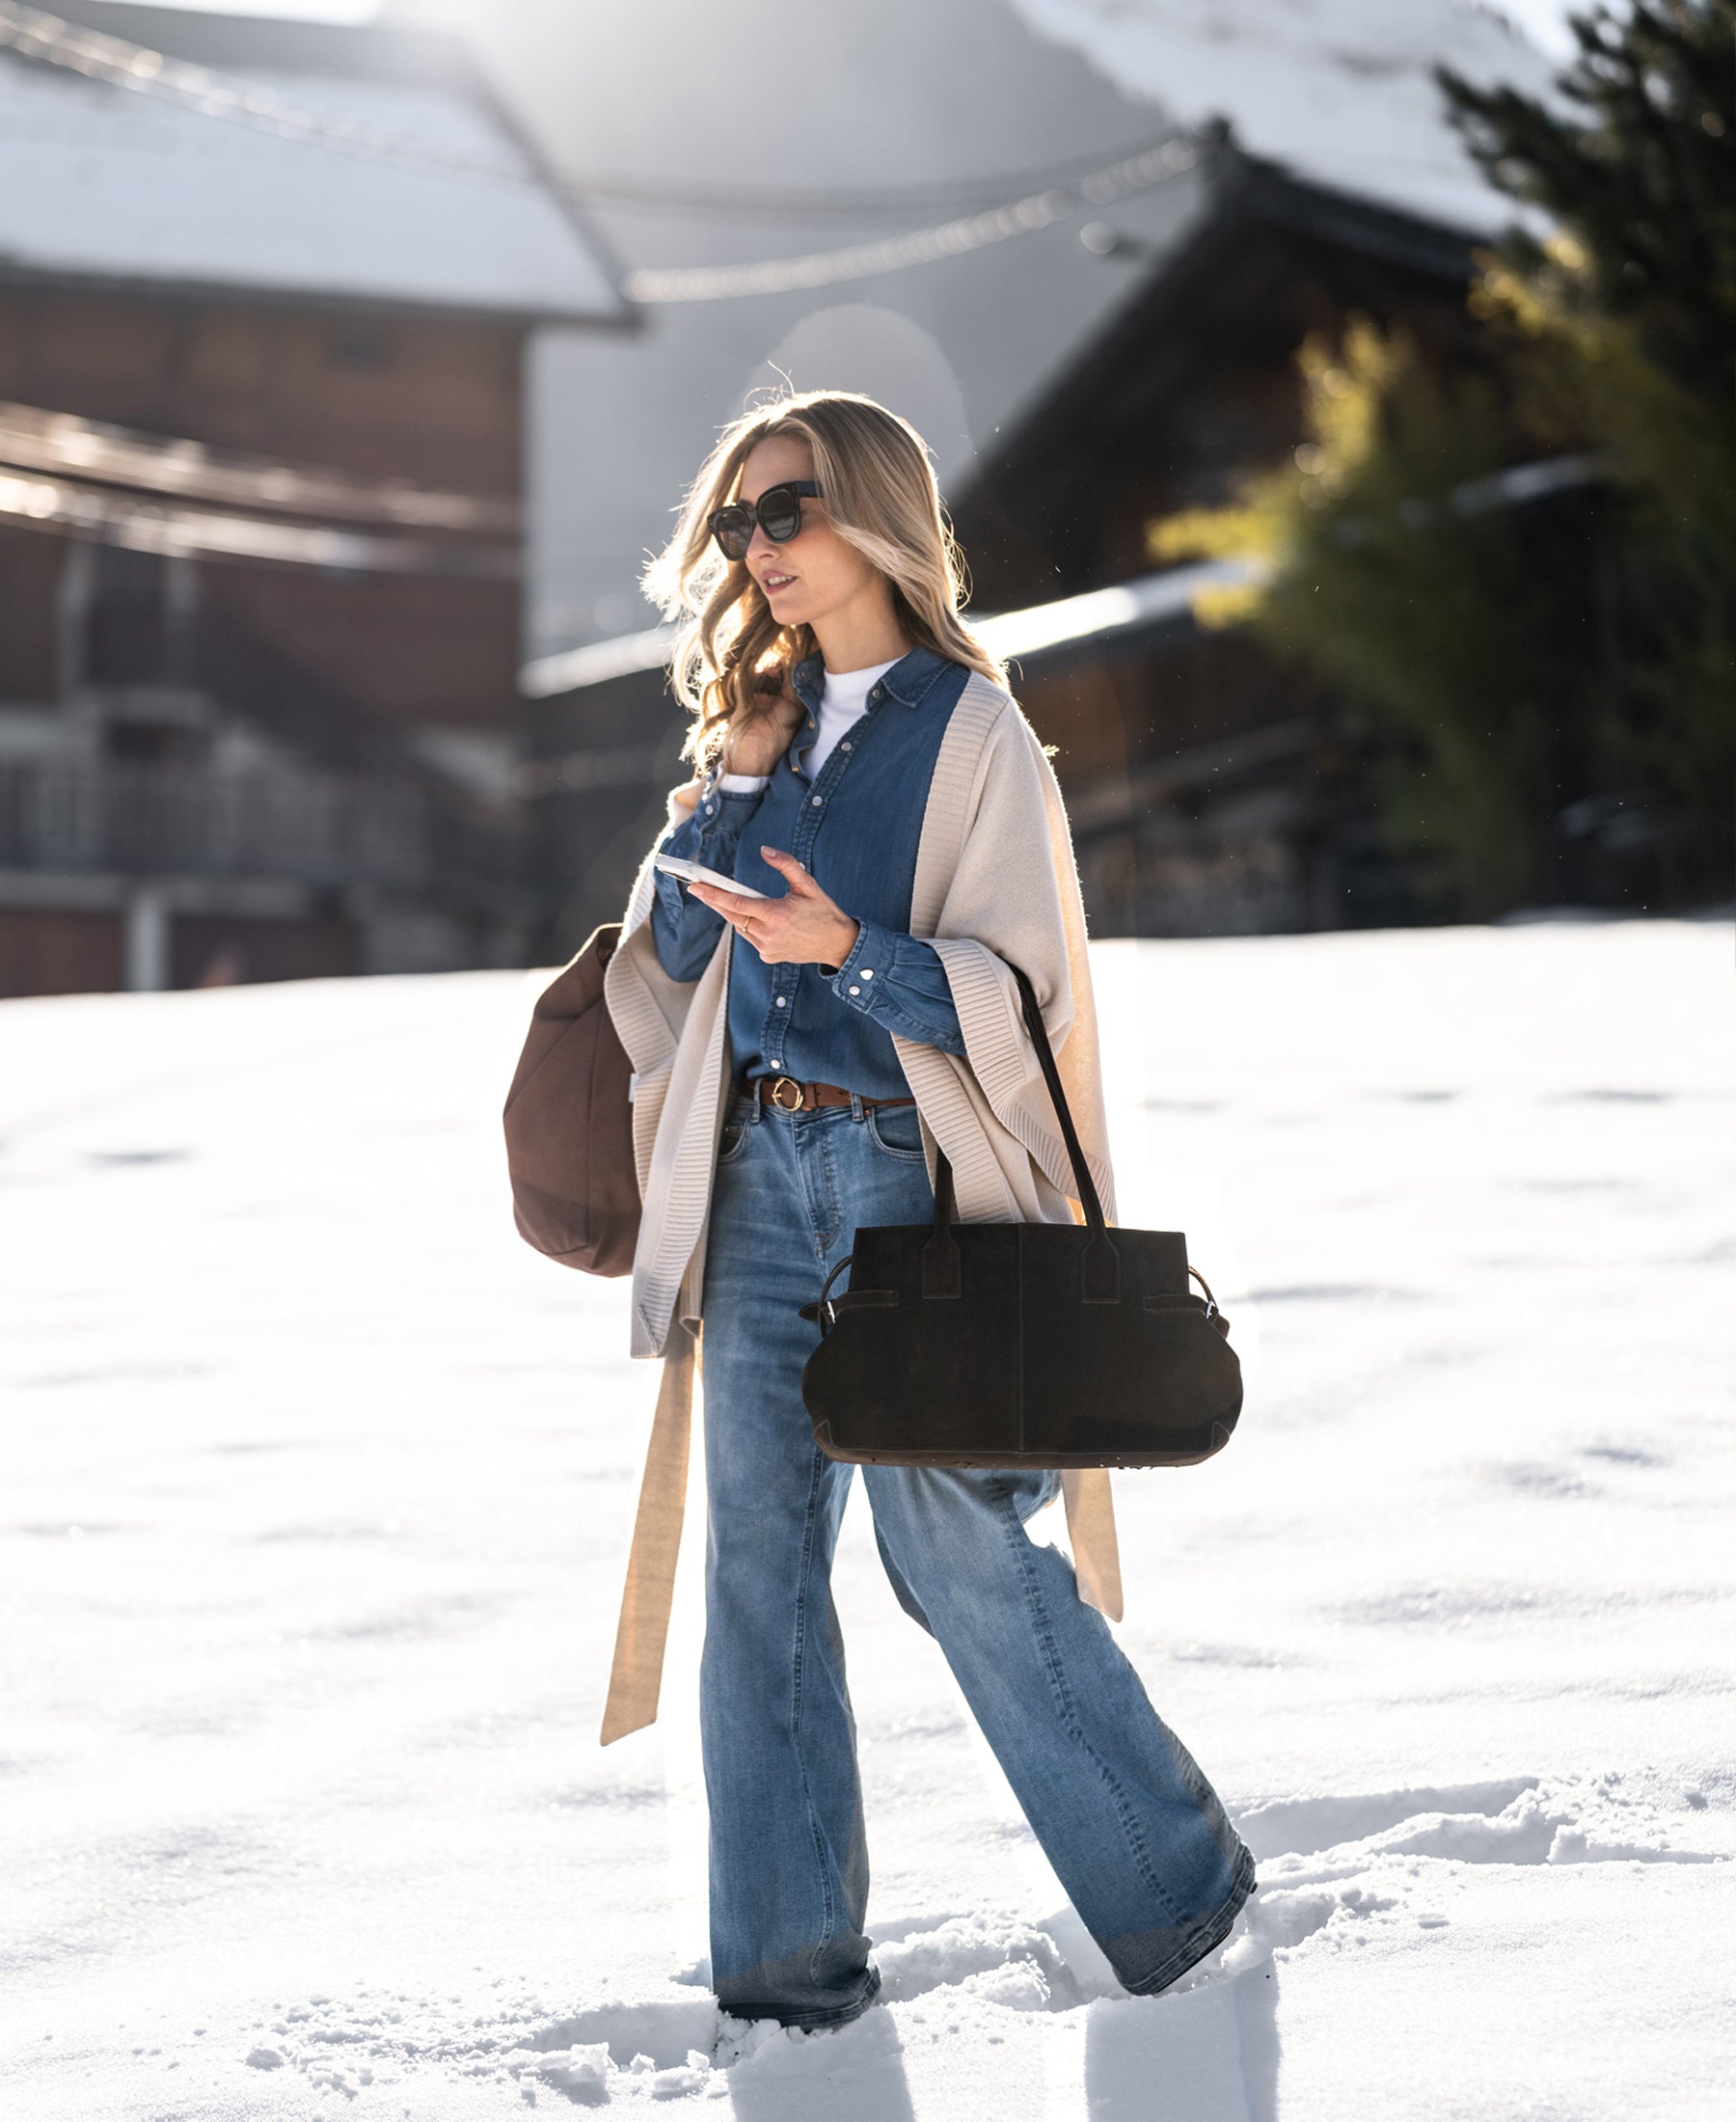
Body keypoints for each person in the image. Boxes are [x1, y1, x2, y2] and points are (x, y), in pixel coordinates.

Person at [601, 391, 1254, 2031]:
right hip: (758, 1170)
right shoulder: (750, 726)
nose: (763, 550)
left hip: (908, 1176)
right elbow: (661, 976)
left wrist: (853, 958)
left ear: (878, 516)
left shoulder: (972, 733)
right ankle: (783, 1972)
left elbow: (1026, 998)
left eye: (790, 512)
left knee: (950, 1552)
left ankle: (1178, 1896)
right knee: (757, 1567)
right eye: (742, 524)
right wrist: (726, 810)